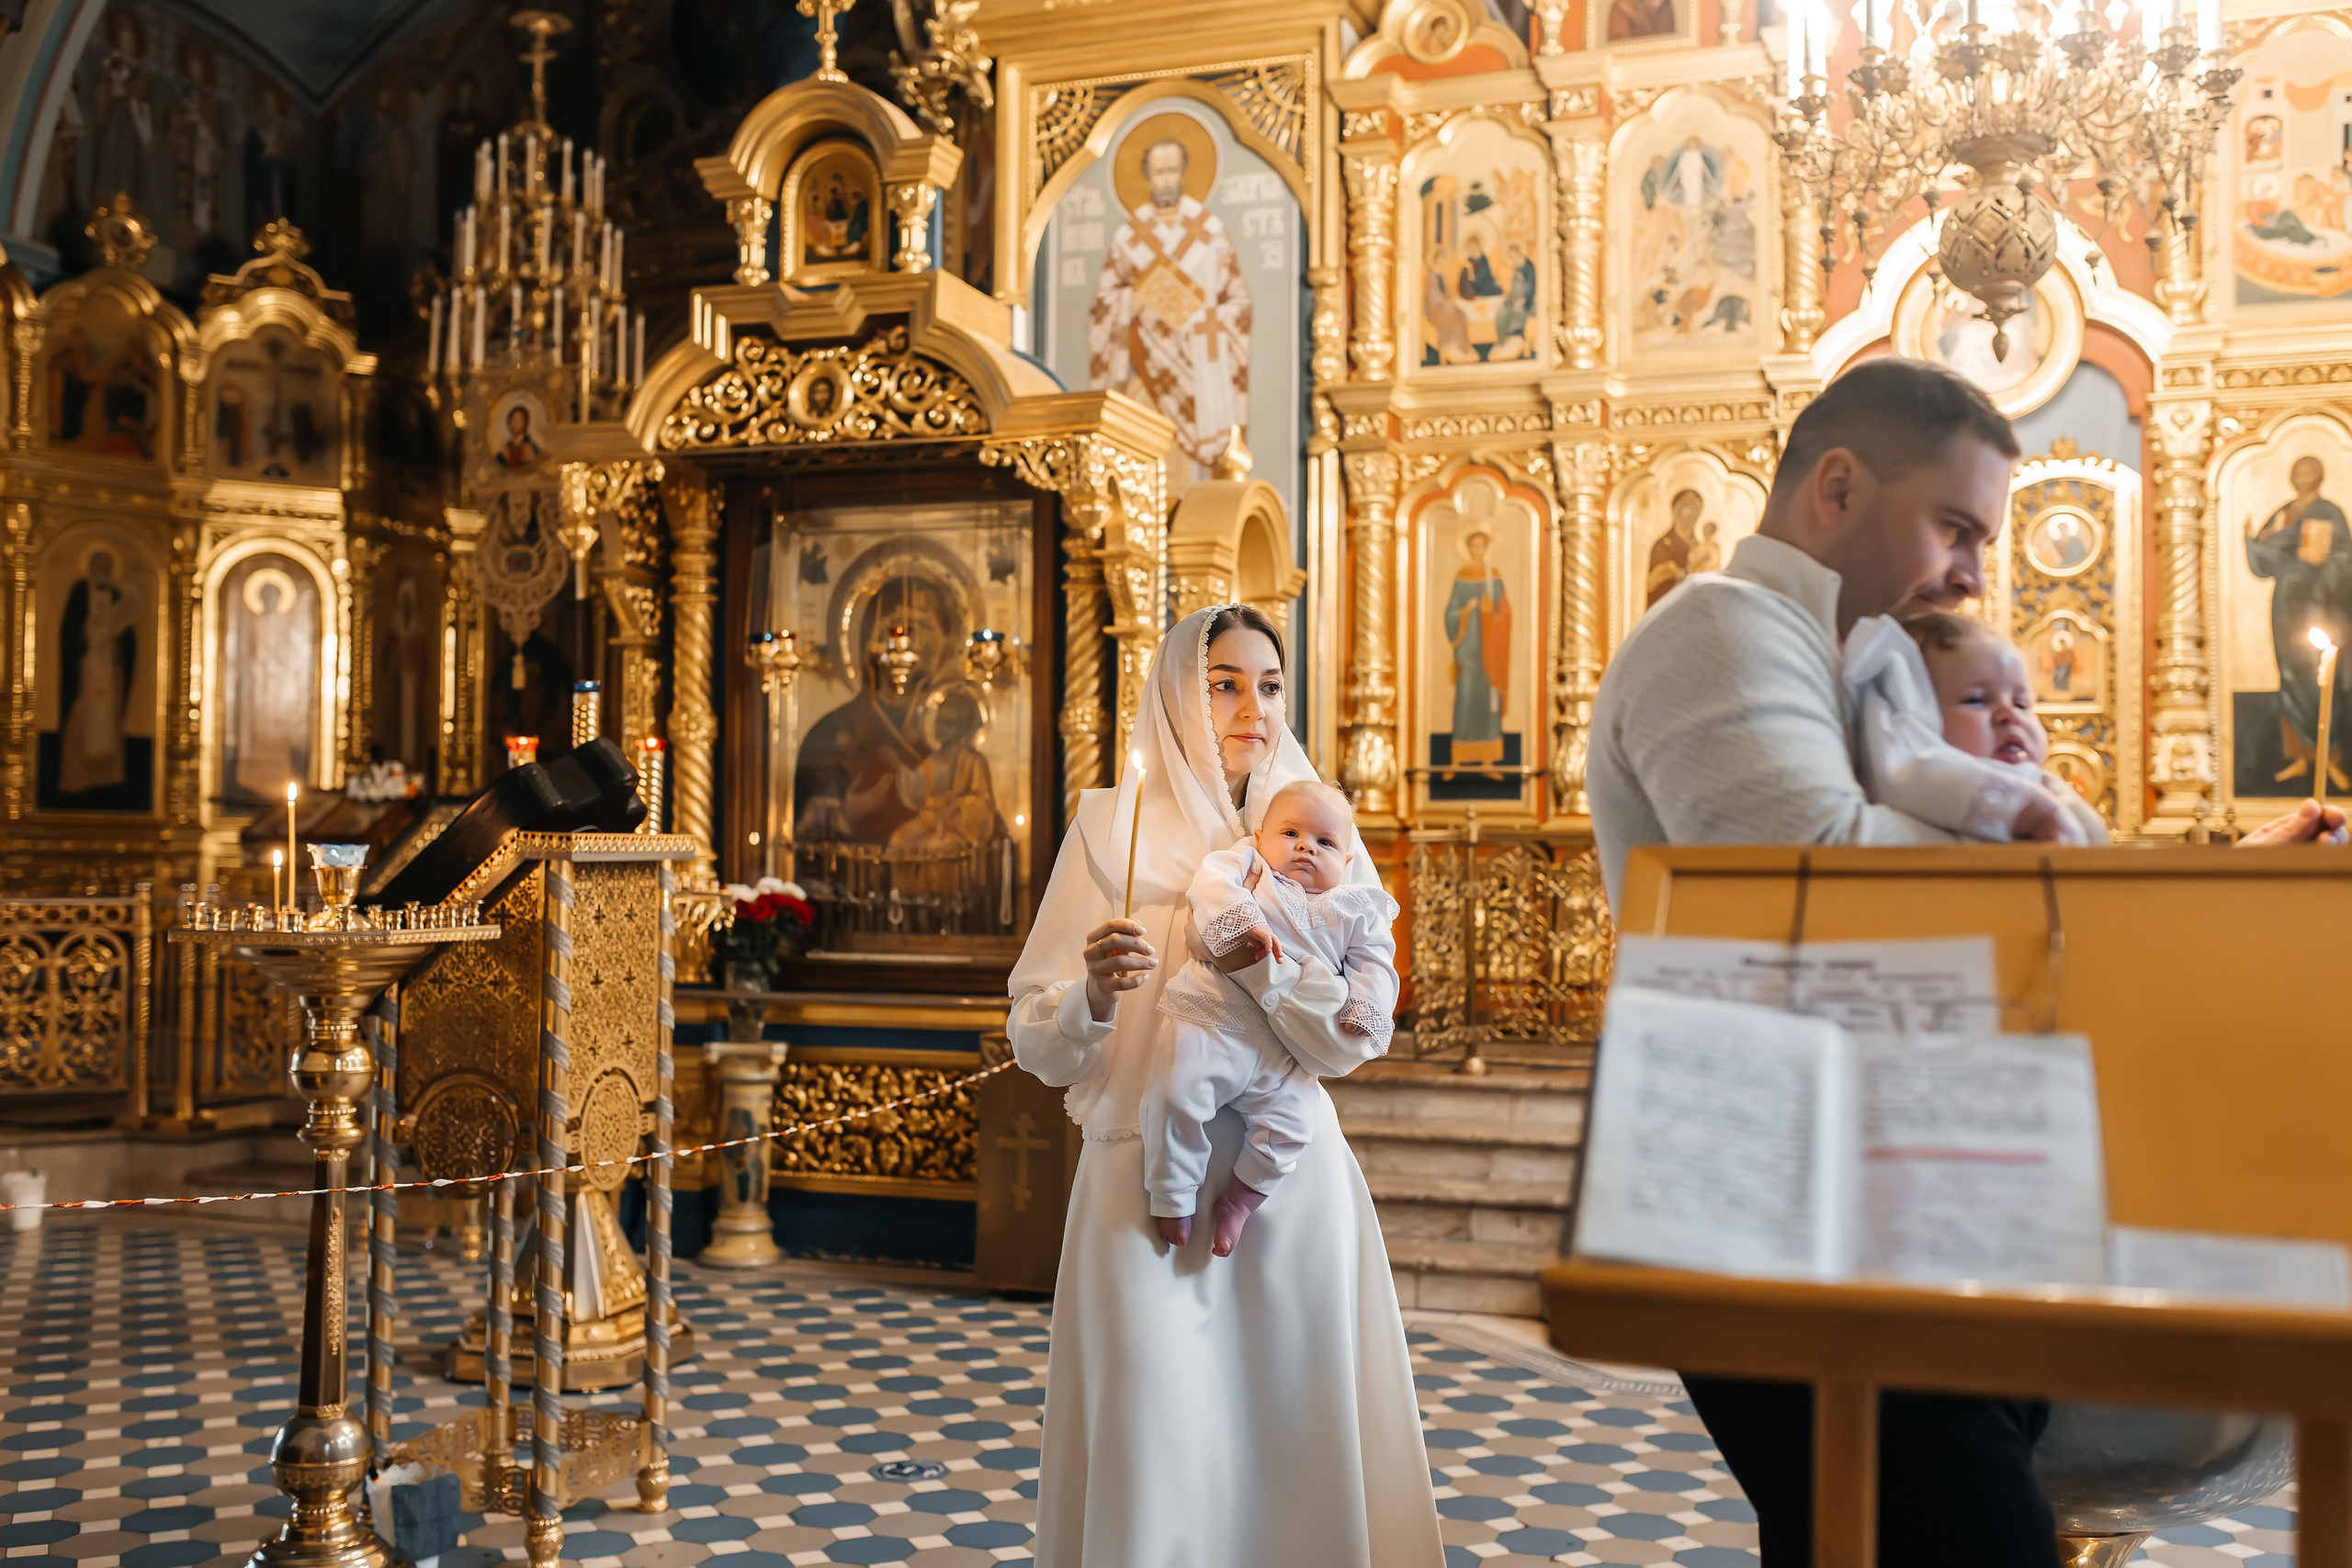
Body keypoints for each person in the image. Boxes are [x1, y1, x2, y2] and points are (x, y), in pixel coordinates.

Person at [1587, 355, 2345, 1568]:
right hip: (1776, 1197)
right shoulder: (1724, 626)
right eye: (1954, 525)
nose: (1973, 571)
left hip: (1877, 1191)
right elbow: (1833, 880)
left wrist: (2218, 871)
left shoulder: (1843, 653)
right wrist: (2109, 860)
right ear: (1836, 485)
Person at [1008, 604, 1442, 1568]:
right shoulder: (1108, 827)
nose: (1254, 708)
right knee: (1151, 1433)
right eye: (1226, 683)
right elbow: (1036, 1038)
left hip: (1284, 1183)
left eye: (1271, 685)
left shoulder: (1319, 824)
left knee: (1293, 1440)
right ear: (1178, 691)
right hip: (1141, 1173)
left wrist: (1260, 966)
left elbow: (1350, 1039)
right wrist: (1092, 993)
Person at [1142, 778, 1400, 1257]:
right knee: (1175, 1091)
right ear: (1261, 838)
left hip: (1287, 1049)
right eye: (1290, 833)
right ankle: (1172, 1193)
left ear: (1346, 862)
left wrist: (1366, 1005)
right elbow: (1211, 887)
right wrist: (1245, 921)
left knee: (1292, 1126)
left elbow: (1376, 963)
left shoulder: (1356, 908)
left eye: (1325, 842)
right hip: (1216, 1017)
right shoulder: (1246, 863)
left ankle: (1240, 1202)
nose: (1306, 846)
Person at [1846, 610, 2107, 847]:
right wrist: (2029, 812)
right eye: (1976, 700)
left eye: (2022, 703)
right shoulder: (1927, 788)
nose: (2009, 715)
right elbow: (1909, 776)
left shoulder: (2044, 784)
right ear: (1920, 721)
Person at [1089, 135, 1252, 473]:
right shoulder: (1129, 237)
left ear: (1183, 173)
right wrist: (1132, 299)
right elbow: (1104, 302)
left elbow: (1239, 301)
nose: (1165, 179)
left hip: (1202, 366)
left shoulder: (1210, 232)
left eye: (1172, 170)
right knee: (1145, 452)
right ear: (1147, 175)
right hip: (1148, 367)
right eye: (1158, 171)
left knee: (1185, 468)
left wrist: (1209, 319)